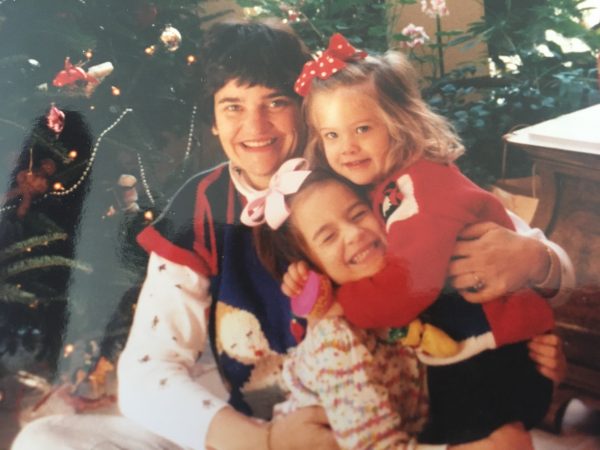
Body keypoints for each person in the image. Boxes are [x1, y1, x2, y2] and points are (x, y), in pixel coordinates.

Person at [12, 21, 573, 450]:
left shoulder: (360, 166)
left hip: (396, 407)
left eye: (275, 104)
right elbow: (146, 371)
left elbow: (534, 256)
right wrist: (263, 442)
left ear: (306, 109)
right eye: (233, 107)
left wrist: (536, 262)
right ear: (212, 118)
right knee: (47, 441)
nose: (254, 129)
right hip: (264, 418)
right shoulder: (202, 205)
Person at [284, 33, 563, 447]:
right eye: (331, 135)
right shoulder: (384, 184)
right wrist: (315, 288)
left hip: (494, 347)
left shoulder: (420, 189)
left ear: (401, 122)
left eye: (362, 128)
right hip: (467, 343)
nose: (346, 148)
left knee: (492, 438)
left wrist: (342, 304)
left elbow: (409, 284)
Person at [246, 161, 430, 449]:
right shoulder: (336, 340)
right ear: (311, 267)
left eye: (358, 214)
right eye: (328, 237)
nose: (354, 233)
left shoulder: (412, 287)